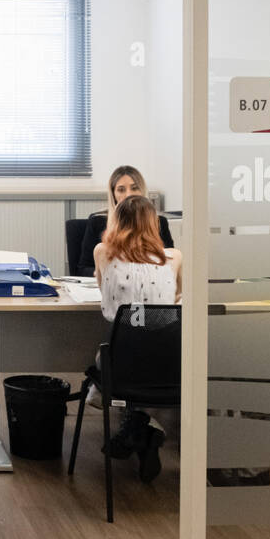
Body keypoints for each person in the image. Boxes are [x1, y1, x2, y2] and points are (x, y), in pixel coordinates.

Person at [89, 194, 182, 482]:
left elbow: (102, 288)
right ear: (154, 224)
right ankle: (143, 428)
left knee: (106, 368)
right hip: (169, 366)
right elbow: (178, 296)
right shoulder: (175, 257)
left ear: (117, 222)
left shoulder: (103, 252)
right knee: (147, 366)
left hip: (121, 366)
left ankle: (138, 427)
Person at [74, 165, 174, 276]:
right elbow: (83, 270)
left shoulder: (159, 222)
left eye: (134, 188)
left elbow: (170, 264)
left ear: (142, 190)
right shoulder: (97, 221)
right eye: (121, 190)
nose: (128, 194)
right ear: (113, 194)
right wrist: (106, 273)